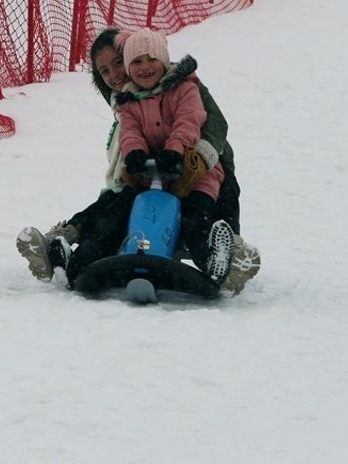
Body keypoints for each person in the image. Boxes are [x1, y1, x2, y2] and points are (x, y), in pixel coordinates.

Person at [16, 27, 261, 292]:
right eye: (105, 71)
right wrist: (133, 161)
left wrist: (194, 157)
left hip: (205, 169)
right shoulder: (127, 101)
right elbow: (130, 139)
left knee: (200, 213)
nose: (114, 74)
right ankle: (64, 251)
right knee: (116, 207)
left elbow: (209, 124)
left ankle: (230, 256)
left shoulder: (183, 86)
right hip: (152, 178)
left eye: (118, 63)